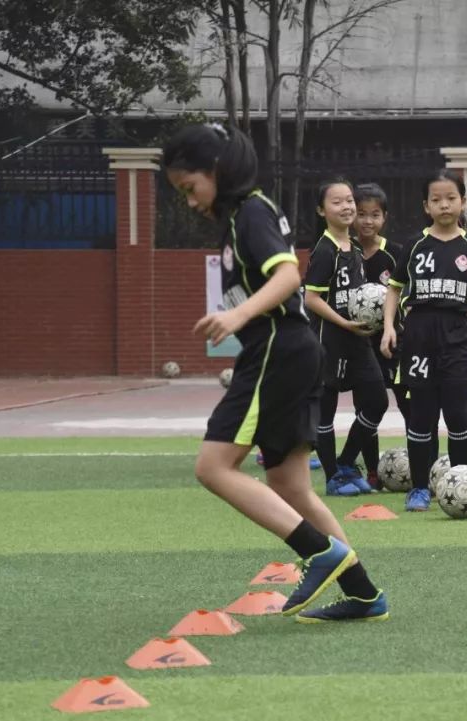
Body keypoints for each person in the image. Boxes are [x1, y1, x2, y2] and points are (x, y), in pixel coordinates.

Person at [163, 123, 387, 623]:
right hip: (292, 351)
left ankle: (318, 550)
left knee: (213, 467)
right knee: (288, 482)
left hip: (275, 350)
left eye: (189, 187)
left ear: (217, 171)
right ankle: (363, 593)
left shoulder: (251, 213)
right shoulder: (242, 217)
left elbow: (288, 274)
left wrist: (238, 317)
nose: (189, 201)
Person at [381, 170, 467, 511]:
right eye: (436, 199)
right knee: (422, 415)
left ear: (462, 202)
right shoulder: (414, 245)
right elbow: (395, 288)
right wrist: (388, 326)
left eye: (451, 198)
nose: (444, 204)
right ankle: (418, 488)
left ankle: (464, 480)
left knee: (459, 414)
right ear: (426, 206)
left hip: (457, 337)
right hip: (420, 337)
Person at [303, 179, 390, 496]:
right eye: (337, 202)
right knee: (325, 413)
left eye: (349, 200)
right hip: (329, 341)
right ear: (321, 210)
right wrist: (344, 322)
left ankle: (345, 461)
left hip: (357, 339)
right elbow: (310, 298)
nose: (347, 207)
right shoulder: (324, 250)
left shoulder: (352, 248)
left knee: (378, 401)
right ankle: (333, 479)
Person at [352, 183, 409, 490]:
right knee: (368, 408)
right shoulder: (345, 253)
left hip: (393, 343)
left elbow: (407, 295)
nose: (367, 221)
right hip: (359, 345)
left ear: (384, 217)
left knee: (409, 405)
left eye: (374, 214)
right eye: (361, 214)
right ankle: (372, 471)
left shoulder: (395, 254)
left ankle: (420, 465)